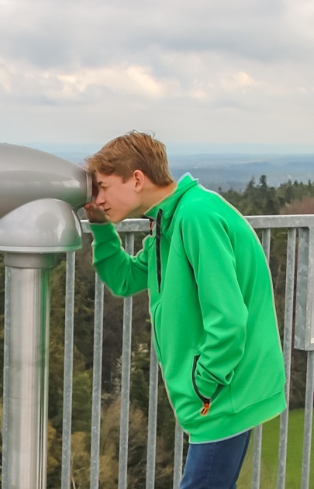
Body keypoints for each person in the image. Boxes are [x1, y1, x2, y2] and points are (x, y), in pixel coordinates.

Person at [83, 131, 286, 488]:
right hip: (220, 397)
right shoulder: (170, 220)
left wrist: (202, 386)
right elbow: (126, 278)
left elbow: (229, 319)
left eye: (102, 187)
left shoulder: (196, 217)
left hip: (223, 399)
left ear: (136, 178)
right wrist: (100, 228)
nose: (98, 199)